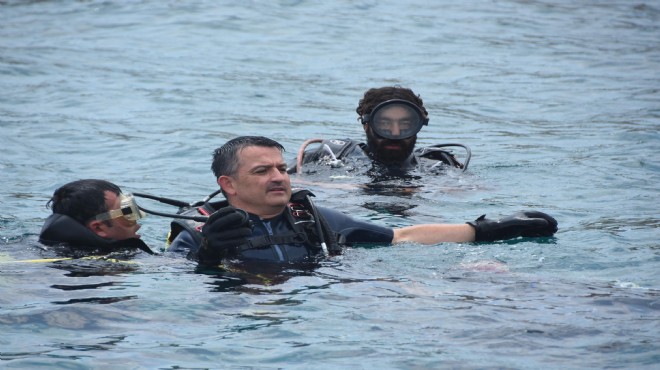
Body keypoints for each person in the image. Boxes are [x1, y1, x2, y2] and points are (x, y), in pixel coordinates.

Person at [167, 136, 557, 266]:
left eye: (282, 168)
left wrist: (490, 230)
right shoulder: (198, 234)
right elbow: (172, 287)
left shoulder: (309, 218)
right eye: (262, 171)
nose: (279, 178)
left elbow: (400, 236)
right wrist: (208, 258)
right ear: (227, 184)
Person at [288, 86, 470, 175]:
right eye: (385, 124)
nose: (396, 133)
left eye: (405, 125)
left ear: (418, 126)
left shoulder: (437, 168)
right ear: (366, 124)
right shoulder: (332, 156)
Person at [39, 179, 154, 255]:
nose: (138, 223)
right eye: (127, 213)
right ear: (99, 228)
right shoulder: (105, 264)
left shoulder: (47, 247)